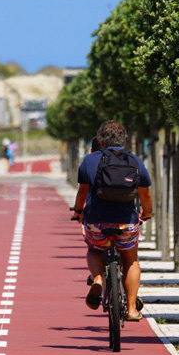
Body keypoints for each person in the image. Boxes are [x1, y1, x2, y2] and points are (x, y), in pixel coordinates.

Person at [72, 121, 152, 321]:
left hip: (97, 221)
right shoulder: (135, 161)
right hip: (126, 222)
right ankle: (132, 309)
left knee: (95, 248)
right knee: (131, 258)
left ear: (100, 141)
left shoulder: (90, 161)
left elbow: (82, 191)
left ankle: (98, 278)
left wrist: (78, 212)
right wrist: (146, 213)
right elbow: (145, 195)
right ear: (123, 140)